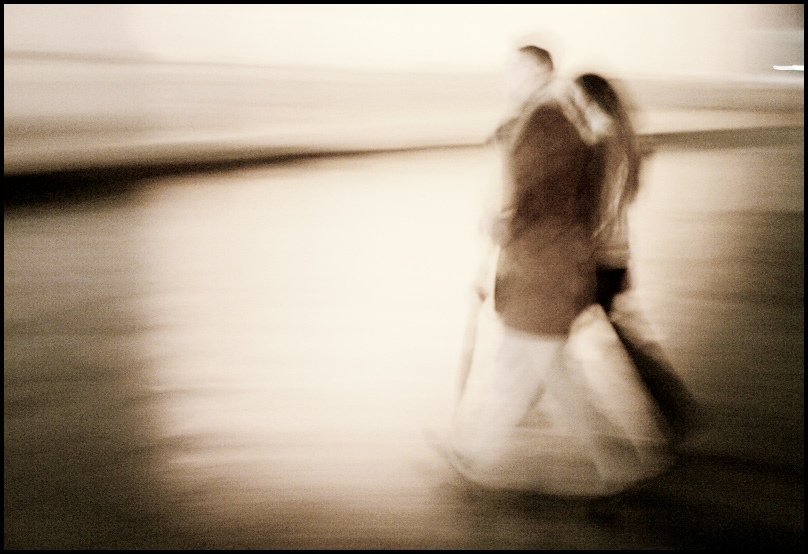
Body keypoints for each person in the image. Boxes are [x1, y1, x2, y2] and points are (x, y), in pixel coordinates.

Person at [444, 51, 673, 496]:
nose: (508, 78)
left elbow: (539, 199)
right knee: (536, 368)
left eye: (517, 69)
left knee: (537, 367)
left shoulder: (547, 123)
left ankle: (622, 464)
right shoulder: (553, 122)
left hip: (544, 272)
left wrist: (500, 225)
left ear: (541, 72)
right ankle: (479, 454)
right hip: (546, 269)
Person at [569, 73, 701, 446]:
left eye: (575, 97)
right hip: (615, 254)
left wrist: (582, 253)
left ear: (590, 100)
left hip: (598, 257)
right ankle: (674, 410)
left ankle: (660, 417)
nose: (571, 104)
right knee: (620, 336)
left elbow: (602, 207)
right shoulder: (626, 140)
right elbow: (621, 206)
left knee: (543, 335)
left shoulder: (603, 143)